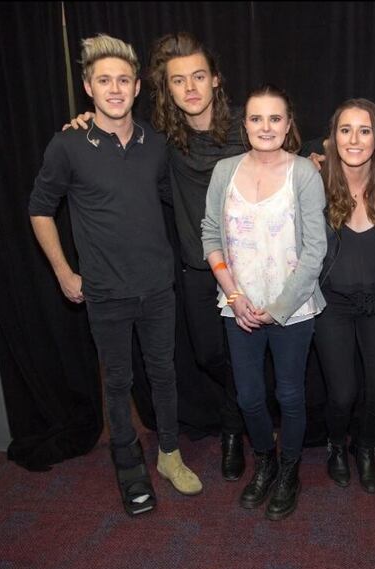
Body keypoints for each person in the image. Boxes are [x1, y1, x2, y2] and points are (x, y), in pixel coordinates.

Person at [28, 34, 202, 517]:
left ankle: (170, 455)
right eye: (104, 80)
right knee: (118, 382)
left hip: (158, 286)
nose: (115, 89)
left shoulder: (155, 143)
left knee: (164, 374)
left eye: (123, 80)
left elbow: (182, 194)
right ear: (88, 87)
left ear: (138, 86)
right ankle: (128, 465)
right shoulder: (68, 144)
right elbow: (40, 209)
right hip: (104, 291)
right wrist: (64, 272)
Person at [67, 33, 249, 482]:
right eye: (178, 80)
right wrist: (86, 124)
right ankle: (243, 404)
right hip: (198, 268)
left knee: (246, 352)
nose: (190, 88)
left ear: (216, 80)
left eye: (199, 77)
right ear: (166, 90)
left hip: (252, 266)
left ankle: (233, 430)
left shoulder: (250, 126)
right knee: (210, 355)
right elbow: (117, 142)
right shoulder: (161, 141)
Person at [201, 85, 326, 520]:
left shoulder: (304, 174)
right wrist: (234, 297)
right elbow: (210, 235)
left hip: (293, 308)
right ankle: (266, 461)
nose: (266, 127)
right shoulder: (224, 171)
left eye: (275, 119)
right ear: (245, 125)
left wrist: (277, 308)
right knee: (250, 397)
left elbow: (315, 250)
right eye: (257, 119)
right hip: (237, 307)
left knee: (290, 395)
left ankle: (290, 469)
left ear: (289, 125)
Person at [314, 99, 375, 494]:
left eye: (364, 130)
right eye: (345, 129)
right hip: (332, 303)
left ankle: (364, 447)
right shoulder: (313, 181)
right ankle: (337, 445)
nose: (354, 139)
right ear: (332, 138)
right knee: (342, 393)